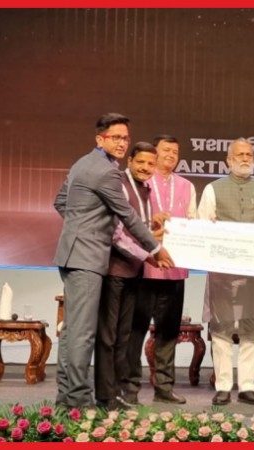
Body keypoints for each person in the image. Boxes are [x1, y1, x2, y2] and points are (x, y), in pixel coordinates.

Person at [53, 113, 173, 409]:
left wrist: (80, 226)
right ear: (100, 139)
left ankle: (66, 396)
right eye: (115, 138)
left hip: (73, 253)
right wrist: (156, 248)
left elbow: (61, 202)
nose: (122, 143)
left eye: (125, 138)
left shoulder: (82, 163)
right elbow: (127, 215)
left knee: (71, 332)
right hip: (87, 257)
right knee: (82, 334)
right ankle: (79, 401)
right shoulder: (106, 172)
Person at [197, 138, 254, 406]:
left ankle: (246, 387)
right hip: (222, 273)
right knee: (220, 328)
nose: (245, 159)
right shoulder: (212, 189)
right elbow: (201, 225)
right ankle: (223, 386)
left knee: (251, 328)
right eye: (240, 154)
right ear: (228, 160)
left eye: (249, 154)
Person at [123, 135, 197, 405]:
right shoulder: (141, 183)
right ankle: (130, 388)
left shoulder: (187, 186)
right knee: (136, 331)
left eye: (175, 152)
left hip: (175, 269)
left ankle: (164, 387)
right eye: (166, 150)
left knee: (168, 331)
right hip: (144, 268)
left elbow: (194, 221)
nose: (171, 155)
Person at [95, 142, 159, 410]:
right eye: (141, 162)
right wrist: (149, 254)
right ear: (130, 161)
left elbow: (139, 229)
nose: (145, 167)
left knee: (124, 336)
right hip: (114, 270)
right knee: (108, 336)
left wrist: (156, 231)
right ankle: (104, 395)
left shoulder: (146, 189)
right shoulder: (120, 184)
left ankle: (117, 392)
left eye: (151, 164)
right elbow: (116, 235)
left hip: (134, 272)